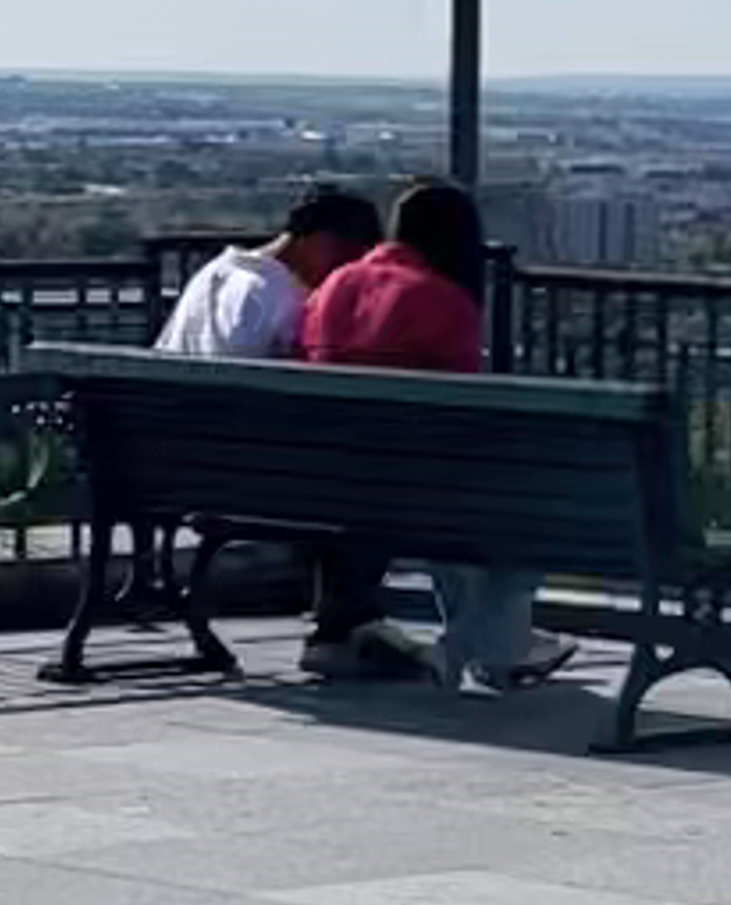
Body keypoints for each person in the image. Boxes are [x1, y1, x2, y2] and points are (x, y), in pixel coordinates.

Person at [297, 177, 564, 688]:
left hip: (322, 477)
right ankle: (494, 644)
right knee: (521, 506)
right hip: (408, 486)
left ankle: (485, 641)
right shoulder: (443, 302)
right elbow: (463, 412)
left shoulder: (335, 286)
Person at [156, 182, 378, 360]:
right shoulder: (283, 297)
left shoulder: (213, 272)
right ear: (319, 237)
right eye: (346, 252)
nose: (347, 268)